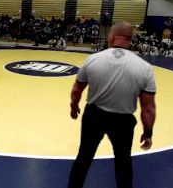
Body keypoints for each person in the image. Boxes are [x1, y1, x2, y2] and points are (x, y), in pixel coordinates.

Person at [67, 21, 157, 188]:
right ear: (130, 40)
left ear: (111, 37)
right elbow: (148, 107)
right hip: (123, 122)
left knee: (84, 157)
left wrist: (74, 107)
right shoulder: (144, 68)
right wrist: (148, 132)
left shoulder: (93, 60)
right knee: (123, 162)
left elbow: (76, 91)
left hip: (94, 116)